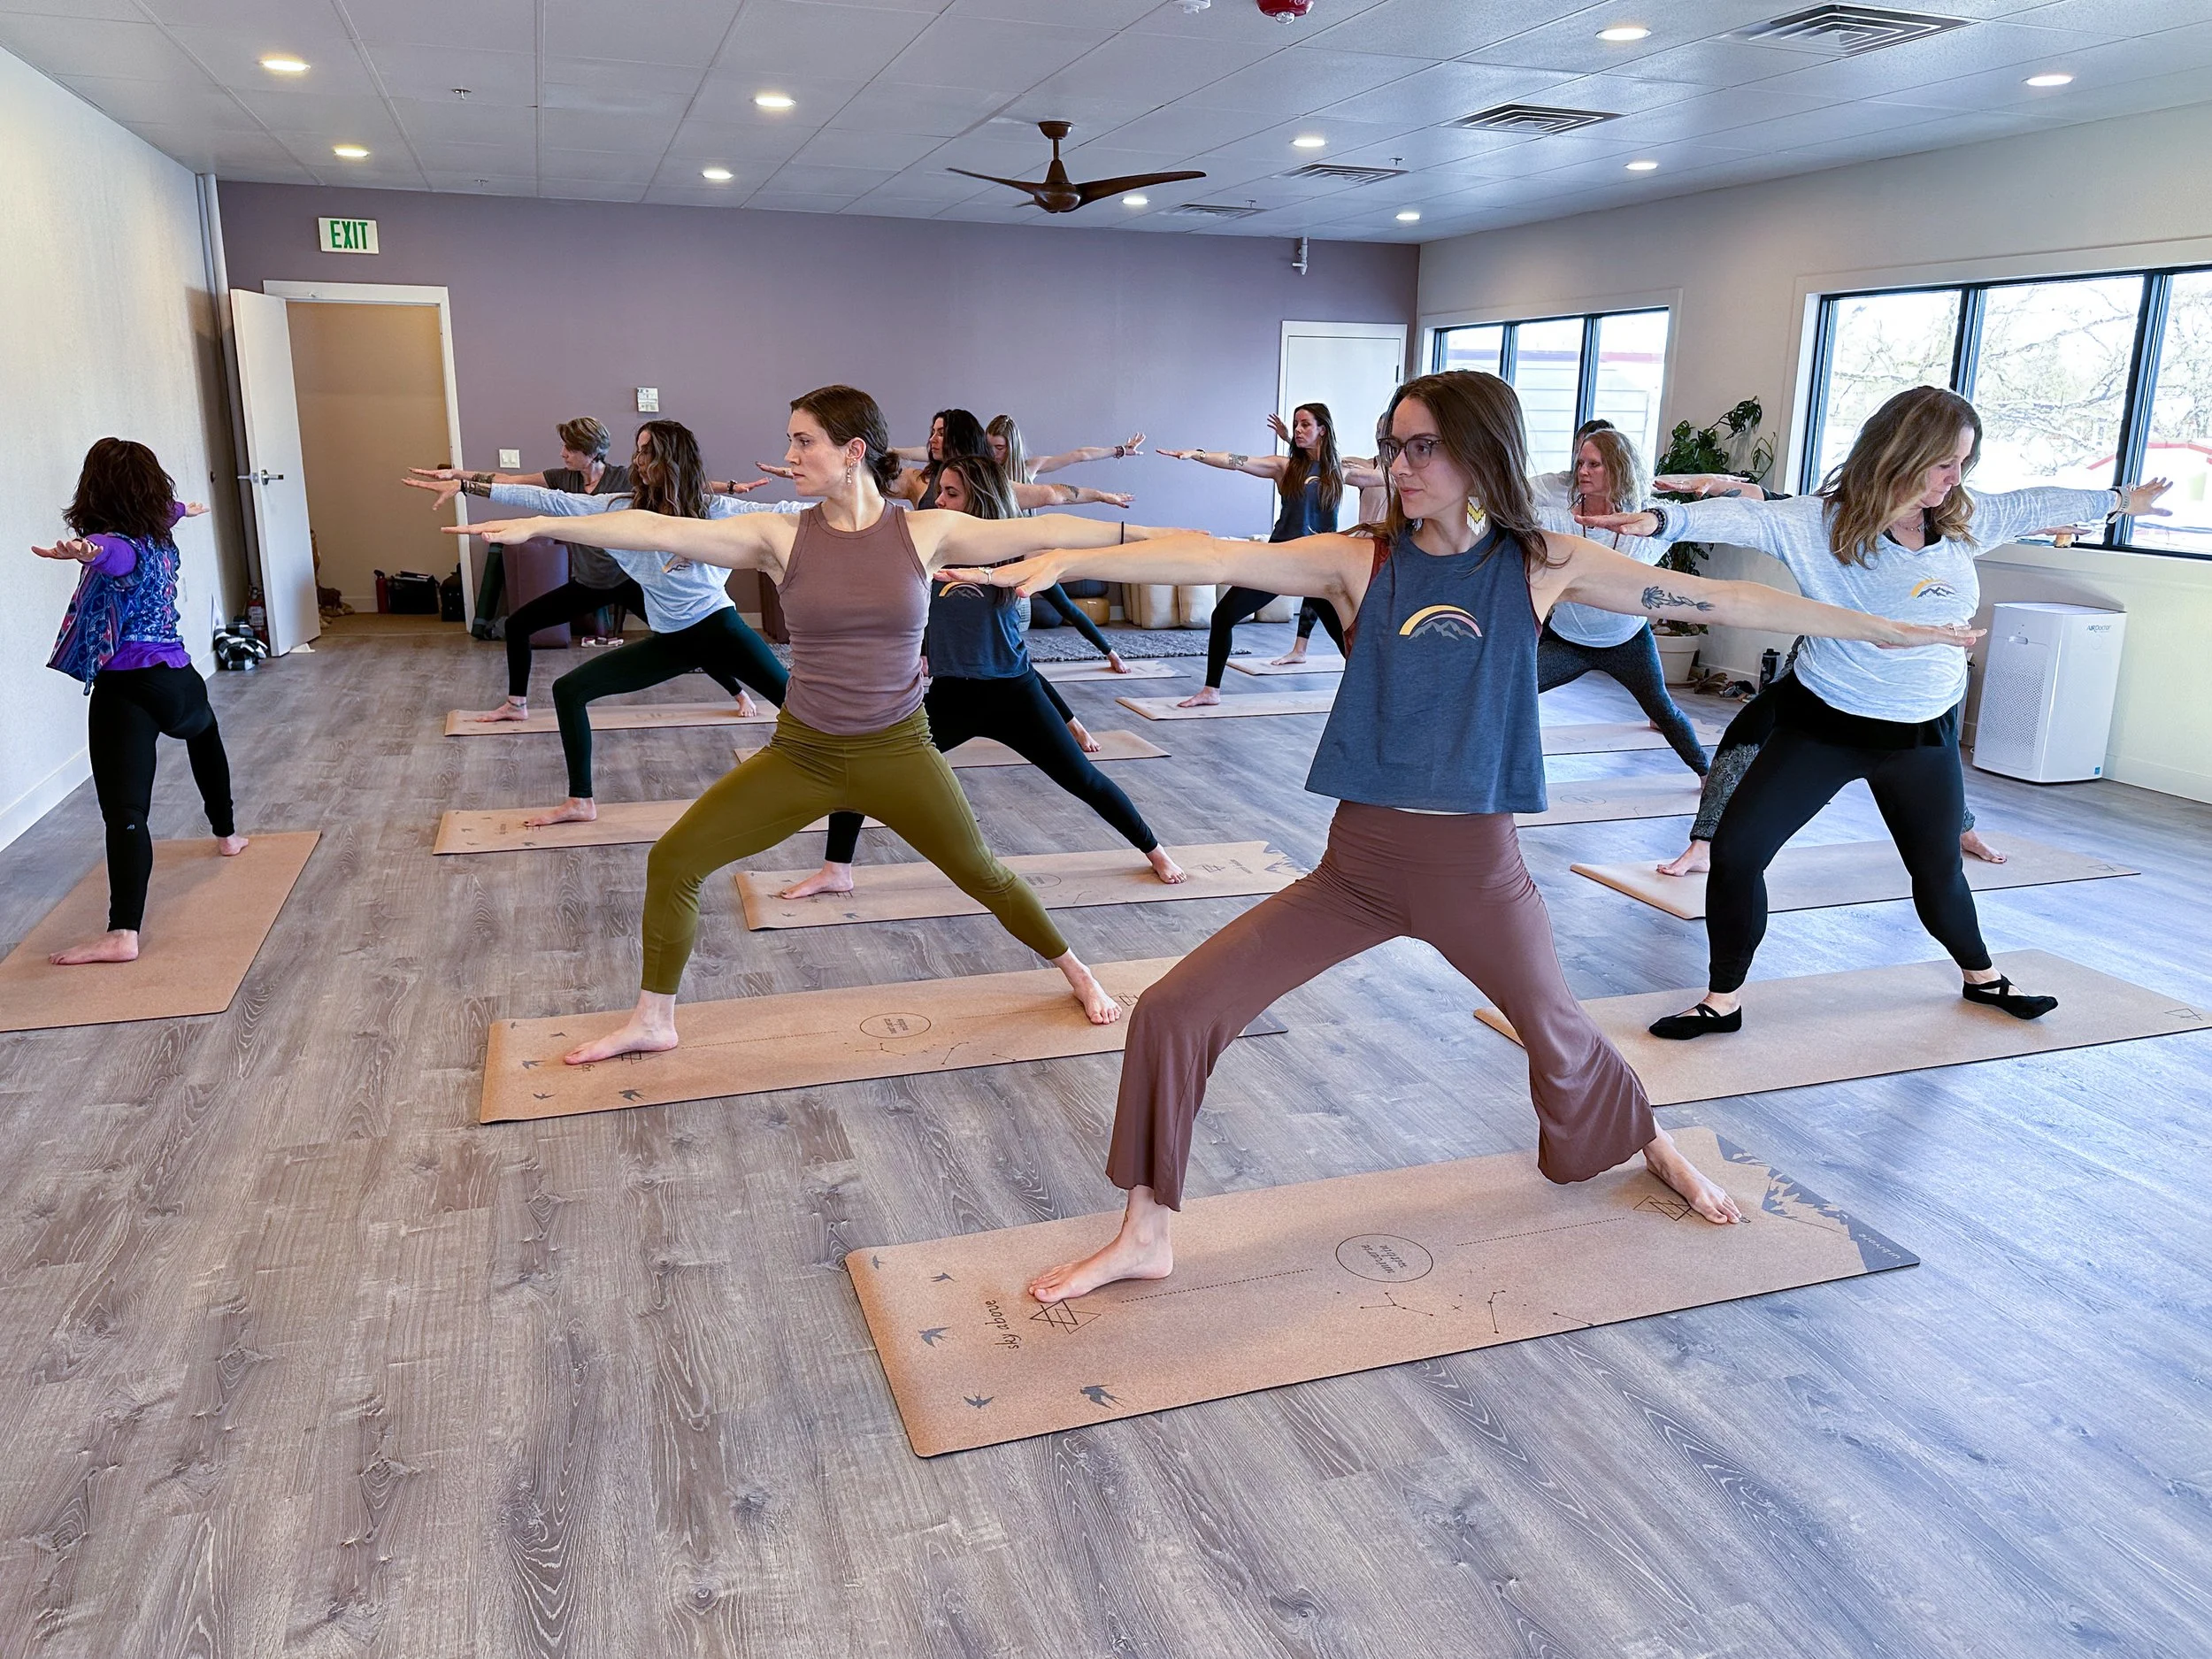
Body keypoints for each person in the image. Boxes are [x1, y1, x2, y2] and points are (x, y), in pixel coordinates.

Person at [941, 370, 1983, 1304]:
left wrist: (1894, 631)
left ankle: (1653, 1146)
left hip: (1476, 874)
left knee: (1560, 1034)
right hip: (1357, 870)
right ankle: (1146, 1233)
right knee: (1173, 1010)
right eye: (1393, 446)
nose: (1399, 466)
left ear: (1480, 453)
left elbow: (1717, 594)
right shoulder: (1361, 562)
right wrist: (1048, 553)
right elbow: (1215, 552)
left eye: (1422, 445)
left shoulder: (1541, 563)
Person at [453, 384, 1180, 1060]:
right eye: (792, 441)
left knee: (984, 874)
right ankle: (655, 1018)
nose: (791, 457)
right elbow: (654, 526)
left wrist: (1148, 536)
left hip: (900, 750)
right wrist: (543, 520)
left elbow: (1048, 525)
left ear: (854, 451)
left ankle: (1077, 970)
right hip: (801, 754)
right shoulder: (780, 536)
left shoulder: (924, 532)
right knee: (673, 861)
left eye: (805, 443)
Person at [1576, 385, 2170, 1039]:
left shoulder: (1963, 519)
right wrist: (1659, 522)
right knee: (1740, 854)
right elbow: (1742, 521)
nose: (1954, 478)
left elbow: (2038, 502)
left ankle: (1983, 978)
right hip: (1825, 725)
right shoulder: (1821, 521)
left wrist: (2120, 501)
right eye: (1945, 462)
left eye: (1964, 463)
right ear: (1901, 451)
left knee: (1938, 867)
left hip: (1924, 736)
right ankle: (1722, 1000)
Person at [779, 455, 1186, 901]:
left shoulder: (1014, 550)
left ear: (981, 498)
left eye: (952, 493)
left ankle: (1156, 850)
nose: (939, 500)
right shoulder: (927, 545)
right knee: (864, 768)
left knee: (1082, 779)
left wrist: (1165, 542)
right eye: (940, 492)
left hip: (1014, 692)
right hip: (952, 695)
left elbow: (1082, 550)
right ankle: (837, 870)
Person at [410, 419, 794, 828]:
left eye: (648, 452)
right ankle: (580, 802)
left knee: (807, 711)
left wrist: (847, 488)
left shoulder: (716, 510)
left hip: (720, 628)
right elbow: (550, 499)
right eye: (638, 450)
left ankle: (837, 807)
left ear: (672, 459)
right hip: (671, 640)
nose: (639, 461)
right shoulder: (619, 508)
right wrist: (469, 485)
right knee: (569, 690)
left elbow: (786, 513)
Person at [35, 439, 246, 964]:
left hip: (126, 688)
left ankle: (123, 933)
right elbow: (168, 512)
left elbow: (108, 553)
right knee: (204, 735)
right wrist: (188, 509)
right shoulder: (160, 531)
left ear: (94, 490)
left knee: (125, 810)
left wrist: (86, 552)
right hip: (177, 679)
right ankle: (228, 835)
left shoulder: (119, 546)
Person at [1156, 404, 1386, 704]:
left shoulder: (1341, 471)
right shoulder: (1285, 467)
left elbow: (1391, 480)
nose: (1299, 430)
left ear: (1322, 430)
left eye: (1305, 425)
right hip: (1280, 562)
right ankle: (1211, 690)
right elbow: (1238, 461)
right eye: (1296, 425)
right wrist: (1198, 454)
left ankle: (1374, 697)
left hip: (1320, 568)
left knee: (1348, 636)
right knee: (1223, 616)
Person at [1532, 426, 1709, 776]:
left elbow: (1690, 520)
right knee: (1513, 692)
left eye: (1594, 465)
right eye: (1581, 462)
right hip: (1567, 641)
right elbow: (1508, 510)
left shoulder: (1645, 527)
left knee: (1663, 710)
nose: (1582, 471)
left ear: (1616, 470)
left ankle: (1706, 774)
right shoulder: (1558, 520)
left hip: (1627, 641)